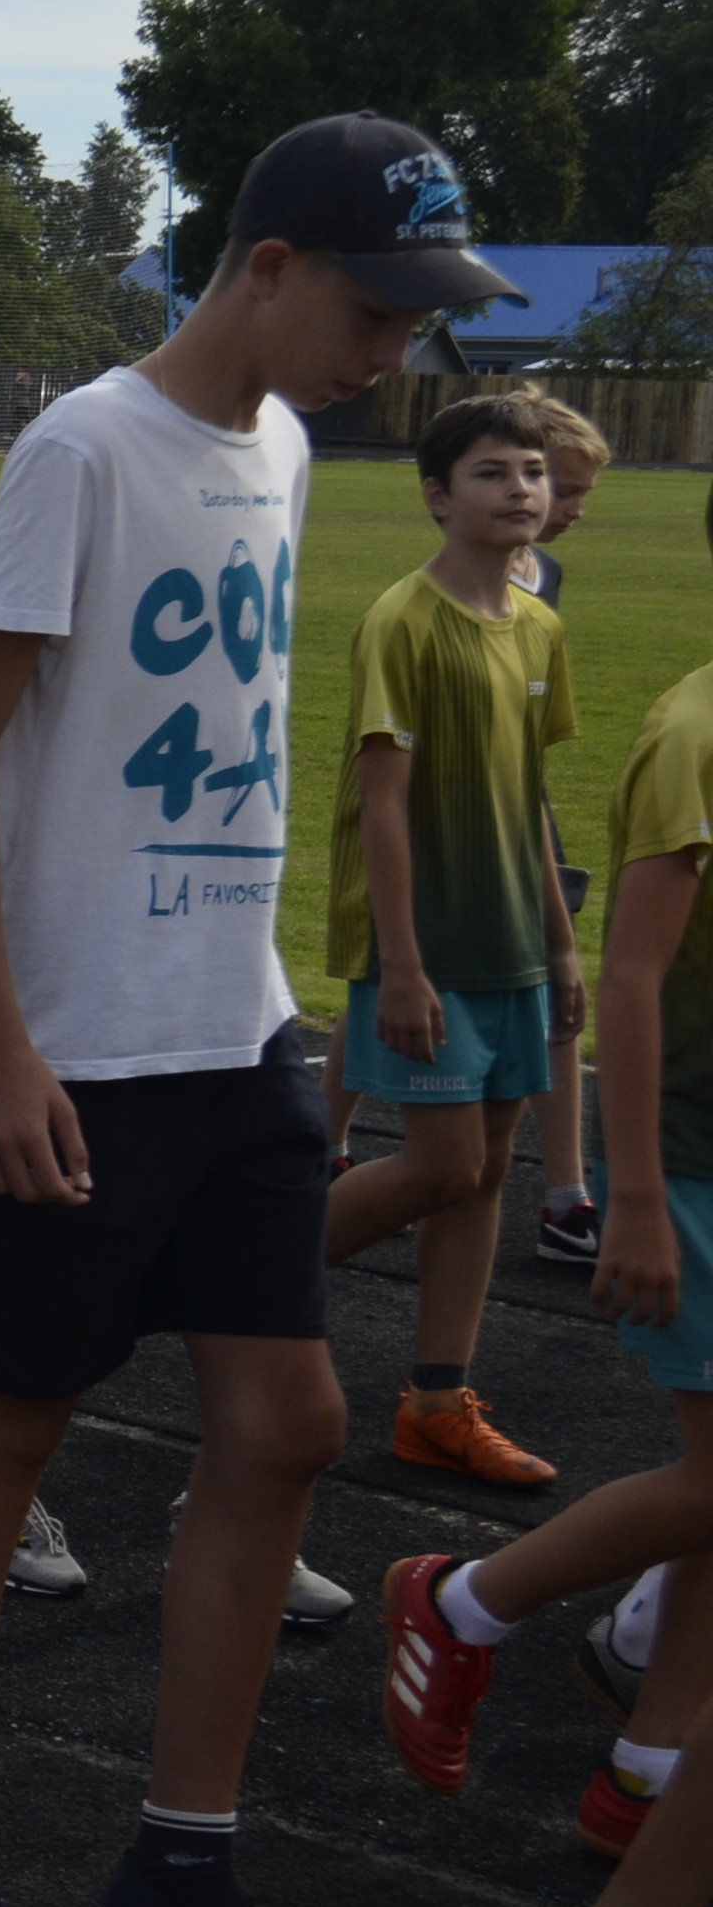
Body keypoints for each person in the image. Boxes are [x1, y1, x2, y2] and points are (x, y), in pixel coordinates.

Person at [0, 111, 497, 1907]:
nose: (395, 357)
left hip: (230, 1023)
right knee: (6, 1420)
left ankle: (178, 1868)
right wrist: (3, 1041)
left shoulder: (278, 442)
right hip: (78, 1045)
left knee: (288, 1421)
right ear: (266, 268)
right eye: (376, 310)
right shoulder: (83, 443)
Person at [380, 589, 713, 1907]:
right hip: (697, 1161)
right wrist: (629, 1191)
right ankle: (468, 1601)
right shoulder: (703, 727)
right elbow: (635, 977)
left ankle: (647, 1765)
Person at [316, 390, 583, 1488]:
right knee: (441, 1164)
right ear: (437, 495)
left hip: (517, 938)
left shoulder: (542, 625)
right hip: (428, 948)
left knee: (483, 1178)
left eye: (530, 473)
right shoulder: (403, 620)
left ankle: (436, 1400)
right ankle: (232, 1280)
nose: (520, 490)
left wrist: (563, 946)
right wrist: (404, 964)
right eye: (491, 472)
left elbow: (531, 798)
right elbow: (384, 802)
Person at [514, 397, 614, 1265]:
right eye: (566, 489)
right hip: (467, 809)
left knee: (557, 997)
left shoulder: (545, 574)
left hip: (520, 796)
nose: (575, 509)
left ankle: (565, 1197)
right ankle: (325, 1146)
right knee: (400, 987)